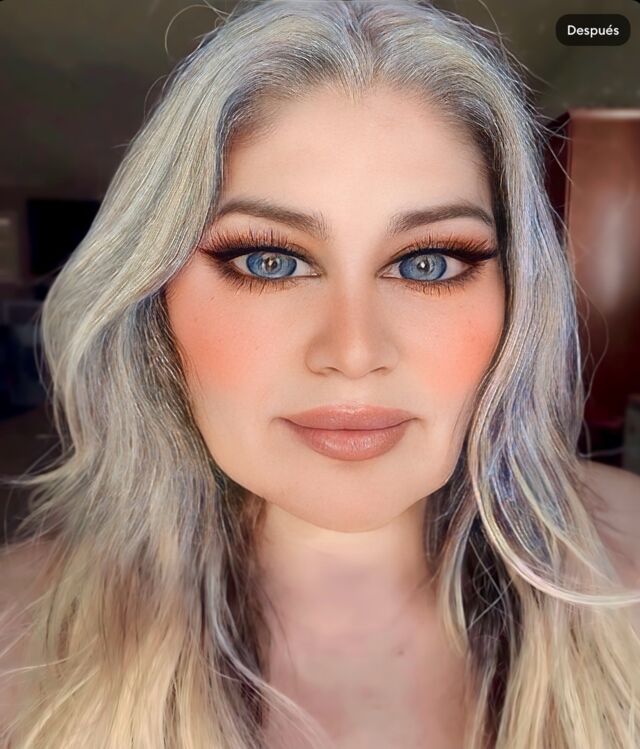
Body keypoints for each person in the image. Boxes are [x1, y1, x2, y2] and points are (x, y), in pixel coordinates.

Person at [1, 1, 639, 747]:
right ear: (156, 299)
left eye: (429, 263)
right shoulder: (15, 640)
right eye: (270, 261)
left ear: (516, 297)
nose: (354, 351)